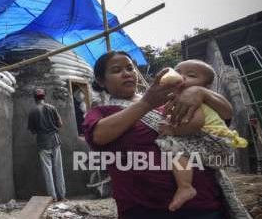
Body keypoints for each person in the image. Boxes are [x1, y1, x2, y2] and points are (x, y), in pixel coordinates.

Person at [83, 51, 233, 219]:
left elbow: (224, 117)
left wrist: (202, 92)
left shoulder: (171, 99)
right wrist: (146, 103)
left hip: (203, 204)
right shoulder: (101, 112)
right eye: (117, 70)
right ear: (101, 81)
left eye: (130, 68)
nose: (126, 73)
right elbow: (98, 136)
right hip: (145, 209)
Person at [156, 60, 248, 211]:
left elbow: (196, 123)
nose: (181, 77)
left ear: (205, 87)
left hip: (214, 139)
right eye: (178, 72)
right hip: (217, 140)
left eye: (191, 75)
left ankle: (185, 187)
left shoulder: (190, 98)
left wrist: (173, 131)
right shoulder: (177, 98)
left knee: (171, 145)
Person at [27, 88, 66, 201]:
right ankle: (62, 196)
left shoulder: (32, 112)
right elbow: (60, 124)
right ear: (44, 97)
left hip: (42, 142)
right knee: (59, 169)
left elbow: (33, 131)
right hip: (55, 140)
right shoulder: (52, 108)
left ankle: (52, 198)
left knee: (47, 171)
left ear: (35, 98)